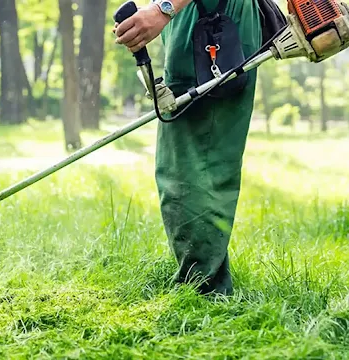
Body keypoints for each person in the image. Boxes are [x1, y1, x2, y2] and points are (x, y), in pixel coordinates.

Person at [113, 0, 262, 296]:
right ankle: (205, 282)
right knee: (186, 161)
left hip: (211, 16)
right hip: (199, 15)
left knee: (195, 162)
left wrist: (162, 10)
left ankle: (204, 290)